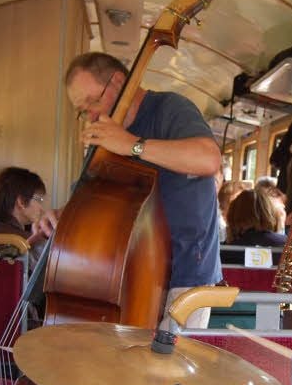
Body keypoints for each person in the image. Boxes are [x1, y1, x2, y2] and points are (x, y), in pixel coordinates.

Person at [37, 52, 222, 328]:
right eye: (83, 110)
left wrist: (131, 145)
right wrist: (63, 216)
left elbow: (208, 159)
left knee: (170, 368)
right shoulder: (106, 138)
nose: (92, 114)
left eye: (94, 101)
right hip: (130, 275)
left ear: (118, 82)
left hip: (186, 274)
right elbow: (98, 198)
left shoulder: (170, 108)